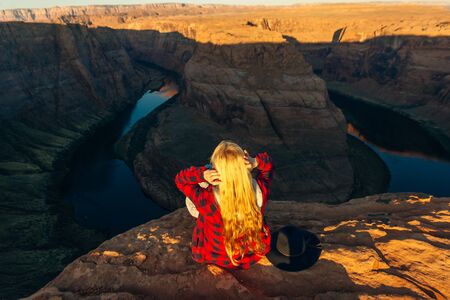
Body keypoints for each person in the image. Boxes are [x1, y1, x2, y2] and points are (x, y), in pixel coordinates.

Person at [174, 140, 275, 269]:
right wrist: (255, 162)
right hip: (251, 254)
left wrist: (203, 174)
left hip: (219, 256)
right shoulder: (260, 190)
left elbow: (180, 180)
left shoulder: (206, 200)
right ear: (244, 166)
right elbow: (269, 168)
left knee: (194, 196)